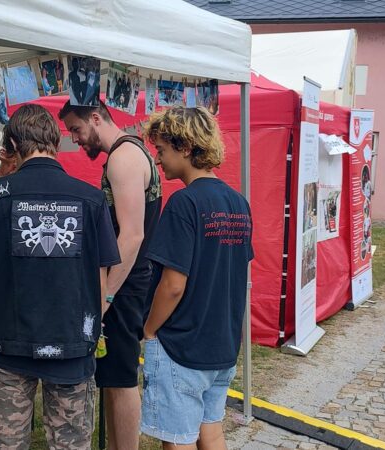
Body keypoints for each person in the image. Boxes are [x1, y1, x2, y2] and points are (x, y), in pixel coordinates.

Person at [0, 104, 121, 449]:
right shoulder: (92, 199)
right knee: (71, 442)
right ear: (55, 142)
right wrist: (92, 328)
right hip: (73, 343)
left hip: (8, 343)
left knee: (5, 442)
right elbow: (100, 278)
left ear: (13, 145)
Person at [140, 107, 254, 450]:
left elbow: (173, 285)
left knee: (178, 439)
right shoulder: (238, 202)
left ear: (186, 147)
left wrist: (149, 329)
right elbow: (239, 269)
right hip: (222, 343)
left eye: (162, 150)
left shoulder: (183, 203)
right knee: (211, 430)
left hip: (182, 345)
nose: (158, 160)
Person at [58, 101, 161, 450]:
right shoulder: (127, 153)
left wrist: (106, 295)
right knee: (114, 377)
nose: (75, 139)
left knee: (121, 379)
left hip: (126, 284)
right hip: (128, 281)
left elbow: (131, 235)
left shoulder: (124, 157)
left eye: (76, 129)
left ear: (96, 118)